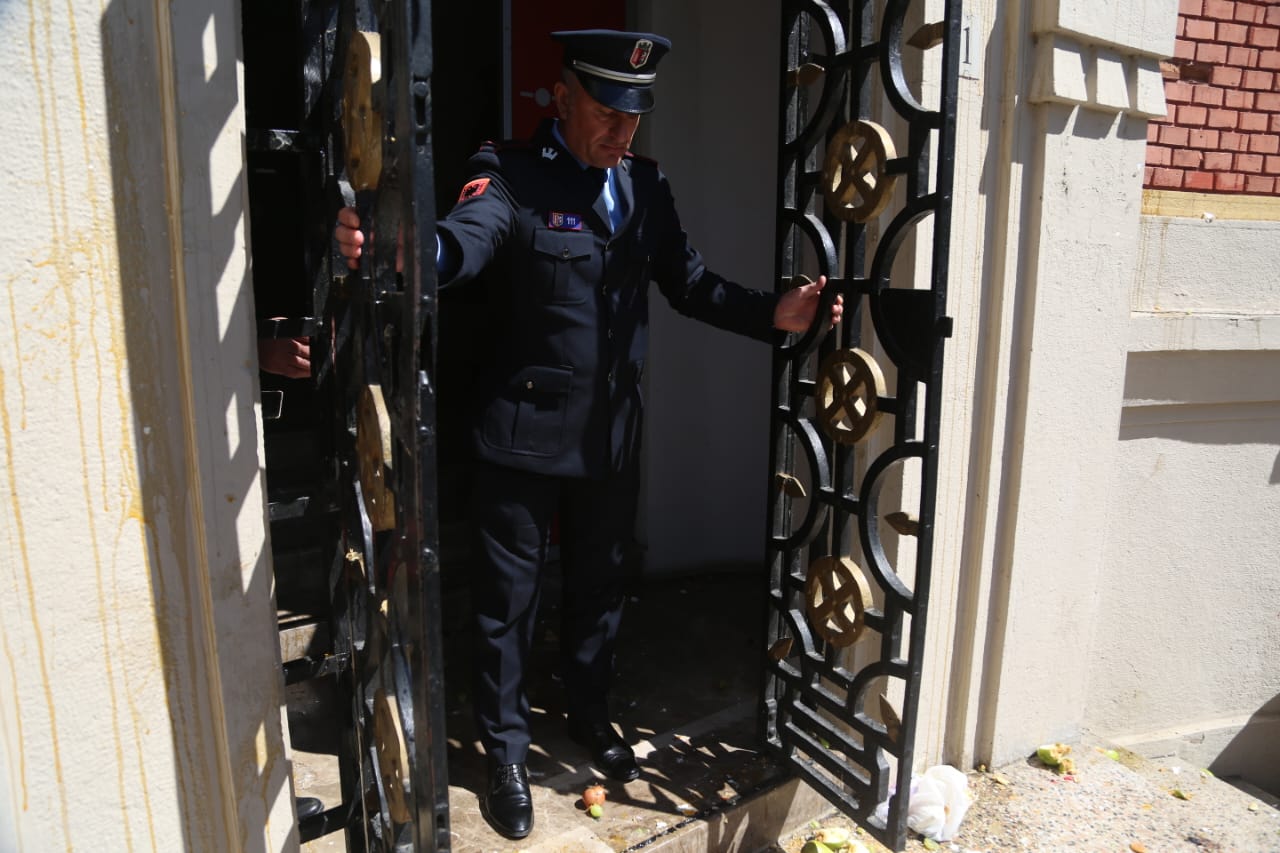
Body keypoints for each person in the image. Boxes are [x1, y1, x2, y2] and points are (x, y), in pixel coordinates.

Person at [335, 28, 842, 840]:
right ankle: (505, 752)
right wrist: (406, 254)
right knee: (509, 604)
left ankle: (589, 709)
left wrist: (773, 314)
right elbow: (464, 243)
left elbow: (689, 282)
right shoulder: (510, 173)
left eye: (634, 115)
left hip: (610, 435)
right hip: (523, 433)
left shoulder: (644, 184)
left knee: (602, 586)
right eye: (607, 111)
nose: (622, 130)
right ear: (562, 97)